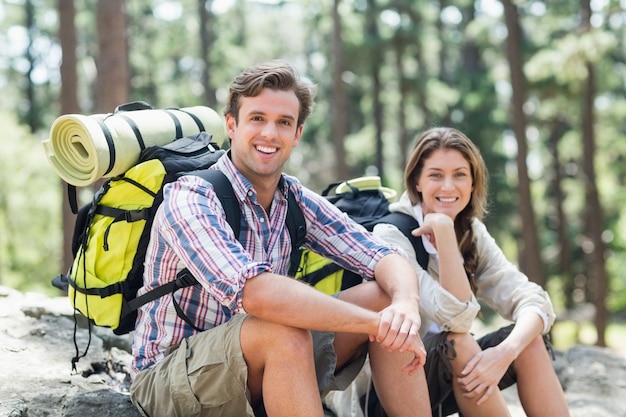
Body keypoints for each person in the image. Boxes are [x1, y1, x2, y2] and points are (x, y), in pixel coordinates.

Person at [129, 60, 431, 417]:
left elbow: (383, 256)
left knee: (384, 298)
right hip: (170, 381)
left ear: (297, 134)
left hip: (255, 366)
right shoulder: (191, 197)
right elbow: (257, 295)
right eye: (257, 118)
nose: (270, 133)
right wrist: (375, 325)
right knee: (282, 331)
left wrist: (405, 307)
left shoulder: (294, 199)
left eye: (283, 122)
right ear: (232, 125)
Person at [373, 127, 570, 417]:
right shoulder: (392, 235)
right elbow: (456, 318)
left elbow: (534, 300)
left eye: (460, 175)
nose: (449, 187)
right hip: (389, 390)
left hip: (441, 376)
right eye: (436, 175)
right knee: (458, 343)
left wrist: (506, 352)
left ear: (473, 181)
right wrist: (443, 233)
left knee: (527, 342)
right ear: (416, 181)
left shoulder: (471, 231)